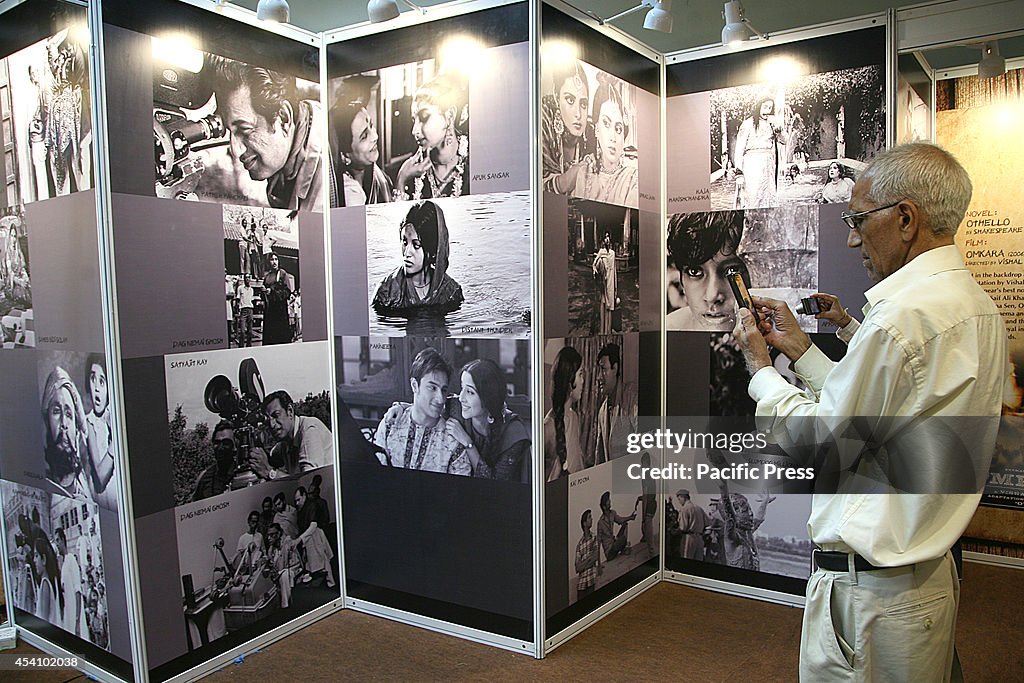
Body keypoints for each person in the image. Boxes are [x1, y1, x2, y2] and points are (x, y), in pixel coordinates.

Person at [731, 143, 1008, 681]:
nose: (853, 237)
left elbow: (825, 445)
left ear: (905, 219)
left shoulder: (900, 320)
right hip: (921, 582)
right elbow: (881, 419)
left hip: (872, 601)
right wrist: (800, 352)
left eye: (857, 220)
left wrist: (760, 367)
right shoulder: (971, 304)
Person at [207, 55, 327, 211]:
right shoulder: (291, 149)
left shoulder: (326, 194)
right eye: (229, 131)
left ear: (283, 117)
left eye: (245, 130)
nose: (236, 151)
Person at [373, 348, 470, 475]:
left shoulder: (453, 440)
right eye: (432, 388)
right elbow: (377, 475)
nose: (440, 399)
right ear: (414, 385)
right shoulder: (390, 424)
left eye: (444, 390)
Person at [445, 359, 531, 482]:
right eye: (462, 388)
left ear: (488, 399)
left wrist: (468, 443)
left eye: (469, 392)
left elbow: (494, 483)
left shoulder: (514, 432)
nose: (461, 398)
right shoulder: (455, 408)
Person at [371, 201, 464, 313]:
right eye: (405, 242)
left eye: (416, 245)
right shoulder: (387, 293)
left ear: (432, 251)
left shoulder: (450, 292)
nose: (407, 252)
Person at [666, 210, 750, 332]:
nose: (712, 296)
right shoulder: (670, 328)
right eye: (694, 271)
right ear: (682, 281)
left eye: (733, 270)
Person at [395, 72, 469, 200]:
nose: (414, 131)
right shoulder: (410, 170)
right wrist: (402, 178)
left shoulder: (474, 162)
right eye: (414, 120)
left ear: (450, 115)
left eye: (424, 118)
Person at [572, 78, 638, 208]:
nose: (613, 137)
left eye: (618, 129)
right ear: (596, 129)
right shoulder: (584, 173)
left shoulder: (632, 178)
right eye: (606, 124)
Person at [248, 390, 332, 480]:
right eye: (267, 420)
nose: (272, 425)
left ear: (290, 411)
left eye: (276, 415)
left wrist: (269, 471)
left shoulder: (309, 430)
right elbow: (271, 456)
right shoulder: (285, 442)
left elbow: (308, 482)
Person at [542, 60, 595, 195]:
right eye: (570, 100)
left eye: (583, 104)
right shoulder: (543, 123)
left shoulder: (591, 134)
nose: (578, 114)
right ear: (556, 97)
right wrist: (566, 181)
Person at [330, 96, 393, 206]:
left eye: (371, 125)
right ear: (345, 156)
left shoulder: (379, 176)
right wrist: (402, 179)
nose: (375, 136)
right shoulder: (348, 193)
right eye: (364, 136)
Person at [41, 366, 90, 500]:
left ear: (76, 429)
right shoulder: (41, 481)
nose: (63, 423)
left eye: (69, 415)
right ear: (47, 421)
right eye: (56, 411)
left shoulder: (90, 487)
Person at [733, 96, 785, 208]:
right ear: (759, 106)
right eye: (765, 106)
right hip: (752, 163)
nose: (767, 110)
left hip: (768, 163)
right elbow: (739, 148)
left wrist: (779, 132)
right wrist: (739, 172)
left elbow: (784, 141)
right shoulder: (748, 123)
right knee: (753, 195)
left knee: (769, 195)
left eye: (770, 107)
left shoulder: (772, 123)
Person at [543, 346, 585, 480]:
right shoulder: (547, 428)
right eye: (580, 375)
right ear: (569, 379)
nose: (583, 381)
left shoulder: (574, 417)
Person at [594, 343, 638, 466]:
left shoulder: (630, 396)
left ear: (615, 368)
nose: (598, 377)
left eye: (603, 369)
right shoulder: (602, 410)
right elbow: (600, 457)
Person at [83, 355, 116, 510]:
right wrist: (115, 439)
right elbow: (100, 477)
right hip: (104, 501)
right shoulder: (90, 422)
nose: (96, 387)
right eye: (92, 379)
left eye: (102, 382)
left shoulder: (115, 415)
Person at [294, 485, 336, 588]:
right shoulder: (301, 509)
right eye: (296, 501)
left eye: (299, 500)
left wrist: (300, 539)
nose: (297, 503)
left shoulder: (312, 505)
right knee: (313, 563)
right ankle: (328, 583)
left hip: (315, 534)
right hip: (308, 538)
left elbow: (313, 525)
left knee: (324, 559)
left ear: (304, 495)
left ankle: (331, 584)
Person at [190, 421, 239, 502]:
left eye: (226, 443)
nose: (220, 448)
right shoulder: (204, 477)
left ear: (235, 447)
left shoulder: (244, 474)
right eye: (217, 443)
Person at [265, 522, 301, 608]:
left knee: (284, 575)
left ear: (279, 534)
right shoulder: (271, 550)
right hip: (278, 574)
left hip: (293, 570)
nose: (269, 538)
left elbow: (295, 562)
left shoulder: (288, 542)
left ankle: (285, 605)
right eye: (268, 535)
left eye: (272, 535)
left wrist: (280, 571)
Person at [261, 252, 294, 345]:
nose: (274, 262)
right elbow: (263, 295)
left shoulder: (282, 274)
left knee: (280, 337)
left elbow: (287, 292)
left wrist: (272, 291)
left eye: (276, 259)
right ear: (269, 262)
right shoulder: (267, 276)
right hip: (269, 311)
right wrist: (263, 292)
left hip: (280, 312)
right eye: (272, 260)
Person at [55, 528, 83, 637]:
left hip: (75, 615)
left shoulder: (71, 559)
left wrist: (77, 621)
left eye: (58, 540)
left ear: (63, 540)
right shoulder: (63, 563)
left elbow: (78, 591)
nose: (57, 544)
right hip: (67, 614)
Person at [597, 491, 634, 561]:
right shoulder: (600, 522)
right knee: (623, 540)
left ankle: (623, 548)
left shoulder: (612, 513)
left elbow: (620, 520)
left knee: (625, 524)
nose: (610, 501)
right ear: (604, 507)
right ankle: (624, 548)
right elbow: (598, 542)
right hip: (609, 551)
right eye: (608, 501)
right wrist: (598, 563)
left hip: (614, 543)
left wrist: (630, 517)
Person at [592, 234, 618, 334]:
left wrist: (616, 289)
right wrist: (597, 271)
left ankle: (608, 330)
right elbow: (594, 265)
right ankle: (602, 330)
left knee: (610, 307)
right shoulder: (601, 252)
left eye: (608, 238)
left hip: (610, 282)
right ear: (603, 241)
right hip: (602, 283)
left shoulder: (613, 253)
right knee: (603, 304)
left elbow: (614, 271)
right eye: (605, 238)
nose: (607, 240)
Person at [1, 222, 31, 305]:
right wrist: (19, 281)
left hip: (20, 279)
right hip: (13, 283)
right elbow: (10, 273)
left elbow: (22, 268)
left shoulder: (18, 252)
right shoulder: (8, 254)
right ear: (9, 237)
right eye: (11, 236)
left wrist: (25, 278)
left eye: (14, 236)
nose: (13, 239)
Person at [574, 510, 602, 599]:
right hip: (581, 584)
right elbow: (577, 568)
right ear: (584, 523)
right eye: (589, 517)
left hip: (591, 579)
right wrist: (588, 559)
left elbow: (595, 557)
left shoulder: (594, 538)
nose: (592, 519)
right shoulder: (579, 544)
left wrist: (584, 562)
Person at [675, 489, 709, 561]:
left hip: (689, 538)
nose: (679, 501)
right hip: (699, 538)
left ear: (683, 497)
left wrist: (675, 531)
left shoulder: (685, 509)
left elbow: (683, 527)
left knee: (687, 560)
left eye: (679, 499)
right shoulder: (698, 508)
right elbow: (707, 523)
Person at [236, 275, 255, 347]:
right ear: (244, 279)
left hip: (250, 309)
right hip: (243, 310)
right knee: (242, 331)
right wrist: (238, 309)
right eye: (246, 278)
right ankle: (241, 346)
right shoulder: (240, 288)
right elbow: (238, 299)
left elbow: (252, 300)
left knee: (250, 331)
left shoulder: (251, 289)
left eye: (248, 278)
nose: (247, 279)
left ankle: (249, 346)